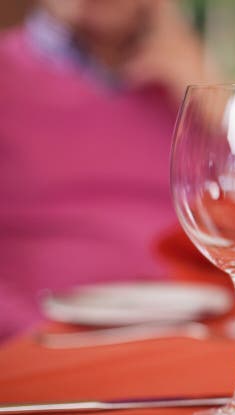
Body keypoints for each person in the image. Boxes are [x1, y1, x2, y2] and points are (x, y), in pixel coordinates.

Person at [0, 0, 215, 339]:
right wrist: (34, 336)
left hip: (192, 331)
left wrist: (210, 100)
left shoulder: (182, 80)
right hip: (49, 344)